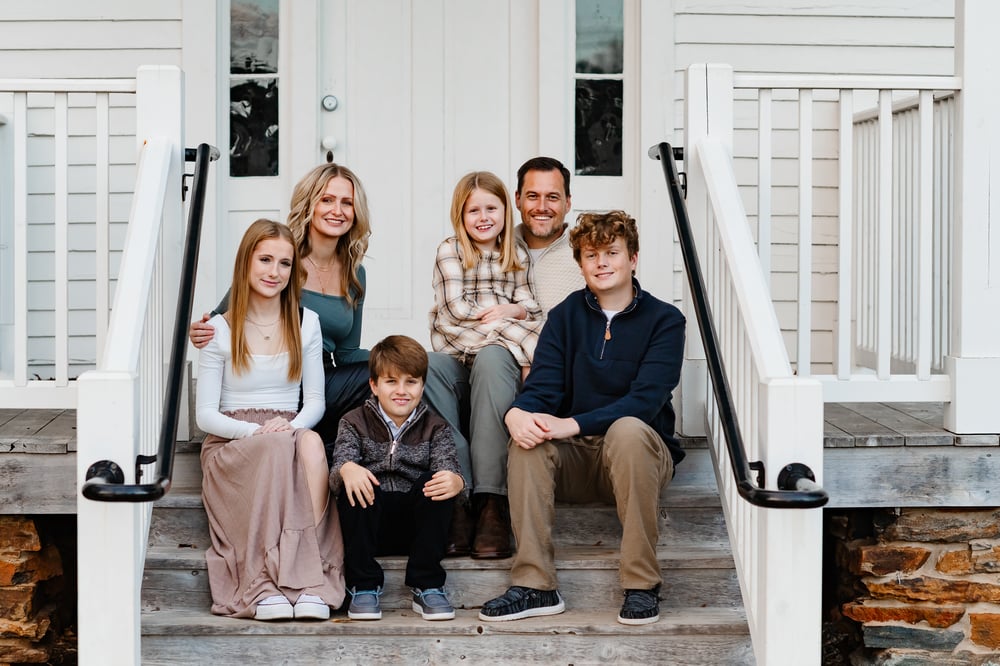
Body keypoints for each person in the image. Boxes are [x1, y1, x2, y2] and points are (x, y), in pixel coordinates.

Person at [188, 164, 473, 486]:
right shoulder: (282, 259)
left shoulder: (354, 273)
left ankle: (440, 473)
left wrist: (393, 360)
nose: (337, 210)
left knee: (409, 373)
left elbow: (349, 351)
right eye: (327, 200)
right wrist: (201, 330)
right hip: (282, 383)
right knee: (398, 379)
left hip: (324, 381)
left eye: (346, 203)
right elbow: (226, 314)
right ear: (309, 204)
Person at [479, 210, 686, 626]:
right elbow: (544, 388)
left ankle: (641, 585)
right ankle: (535, 585)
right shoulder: (566, 316)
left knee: (627, 430)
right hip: (576, 460)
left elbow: (644, 402)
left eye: (613, 252)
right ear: (580, 263)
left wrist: (570, 424)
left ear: (633, 258)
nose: (602, 263)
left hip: (637, 458)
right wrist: (518, 413)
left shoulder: (665, 320)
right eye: (592, 255)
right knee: (528, 441)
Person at [427, 157, 583, 560]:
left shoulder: (517, 252)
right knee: (427, 367)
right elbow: (457, 314)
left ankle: (490, 503)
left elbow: (529, 306)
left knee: (496, 357)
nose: (483, 217)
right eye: (473, 210)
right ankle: (455, 494)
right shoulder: (451, 251)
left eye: (490, 209)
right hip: (458, 345)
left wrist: (510, 314)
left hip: (495, 356)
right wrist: (510, 325)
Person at [196, 219, 345, 621]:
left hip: (286, 431)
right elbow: (206, 415)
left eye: (283, 263)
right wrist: (256, 430)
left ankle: (308, 577)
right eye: (264, 260)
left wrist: (293, 426)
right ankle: (265, 581)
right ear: (246, 263)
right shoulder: (218, 330)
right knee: (279, 449)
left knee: (312, 444)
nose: (273, 272)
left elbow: (314, 400)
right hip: (232, 441)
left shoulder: (305, 322)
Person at [330, 335, 465, 621]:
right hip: (368, 527)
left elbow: (448, 466)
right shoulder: (353, 421)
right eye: (391, 381)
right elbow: (337, 469)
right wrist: (346, 469)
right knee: (357, 480)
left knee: (437, 480)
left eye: (411, 382)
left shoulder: (436, 428)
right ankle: (363, 584)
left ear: (422, 386)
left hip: (416, 530)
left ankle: (427, 583)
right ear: (374, 385)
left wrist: (456, 482)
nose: (401, 391)